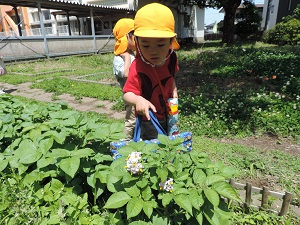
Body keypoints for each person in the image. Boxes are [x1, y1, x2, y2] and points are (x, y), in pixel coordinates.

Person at [123, 3, 180, 140]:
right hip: (148, 118)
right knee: (154, 152)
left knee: (171, 144)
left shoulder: (171, 58)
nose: (153, 51)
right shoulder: (138, 66)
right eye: (146, 45)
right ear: (136, 42)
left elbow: (170, 78)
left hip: (170, 113)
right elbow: (127, 94)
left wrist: (174, 92)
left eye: (160, 44)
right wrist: (137, 100)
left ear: (171, 42)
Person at [113, 18, 136, 140]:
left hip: (138, 95)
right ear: (127, 37)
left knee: (140, 119)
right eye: (134, 35)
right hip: (130, 96)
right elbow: (127, 74)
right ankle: (125, 142)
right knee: (131, 120)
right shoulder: (119, 58)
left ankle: (138, 139)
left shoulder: (133, 54)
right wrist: (127, 57)